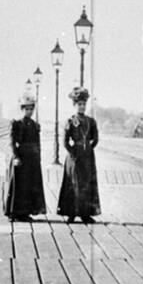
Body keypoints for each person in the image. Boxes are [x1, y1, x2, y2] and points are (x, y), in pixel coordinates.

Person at [56, 87, 101, 225]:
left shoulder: (91, 121)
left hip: (87, 157)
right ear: (74, 105)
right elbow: (64, 142)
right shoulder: (70, 121)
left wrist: (87, 149)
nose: (81, 107)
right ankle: (71, 213)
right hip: (74, 157)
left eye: (83, 104)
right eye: (79, 104)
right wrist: (74, 152)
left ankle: (85, 214)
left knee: (87, 184)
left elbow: (96, 139)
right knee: (73, 183)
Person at [4, 95, 46, 221]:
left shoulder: (34, 125)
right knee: (18, 185)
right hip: (21, 158)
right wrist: (16, 156)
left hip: (32, 159)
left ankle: (25, 212)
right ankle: (13, 212)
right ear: (22, 109)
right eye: (26, 109)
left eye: (31, 109)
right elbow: (12, 142)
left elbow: (37, 143)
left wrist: (38, 156)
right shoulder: (16, 124)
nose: (29, 112)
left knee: (29, 185)